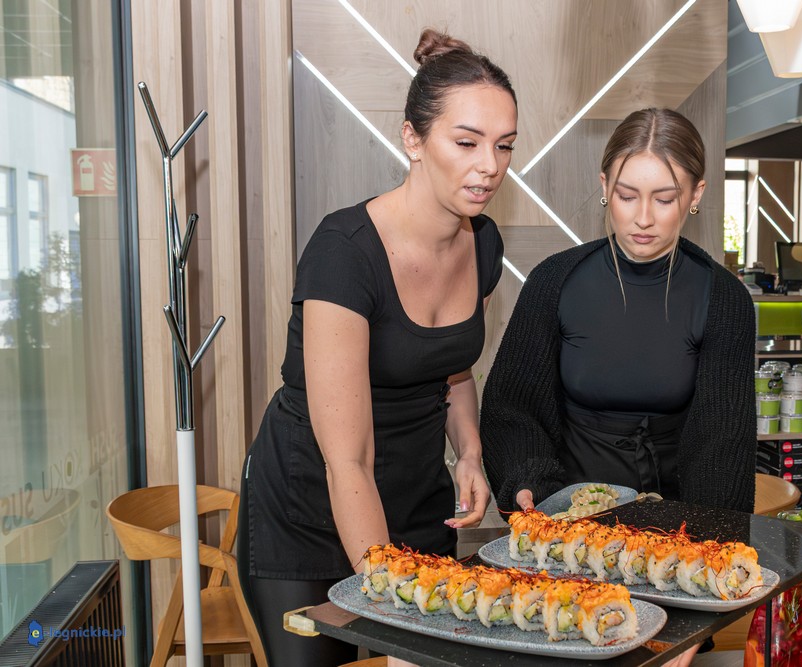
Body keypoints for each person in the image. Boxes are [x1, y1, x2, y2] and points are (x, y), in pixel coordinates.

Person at [236, 29, 517, 665]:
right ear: (413, 139)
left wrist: (470, 453)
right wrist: (389, 601)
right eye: (467, 142)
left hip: (416, 496)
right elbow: (349, 462)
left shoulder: (484, 244)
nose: (490, 165)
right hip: (313, 502)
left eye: (504, 145)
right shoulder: (344, 253)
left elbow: (452, 366)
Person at [481, 108, 755, 665]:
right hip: (568, 536)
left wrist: (695, 602)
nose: (643, 218)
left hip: (677, 544)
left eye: (665, 198)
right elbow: (512, 407)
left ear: (696, 195)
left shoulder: (724, 299)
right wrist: (528, 480)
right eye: (628, 196)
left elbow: (722, 450)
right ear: (605, 186)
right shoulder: (554, 282)